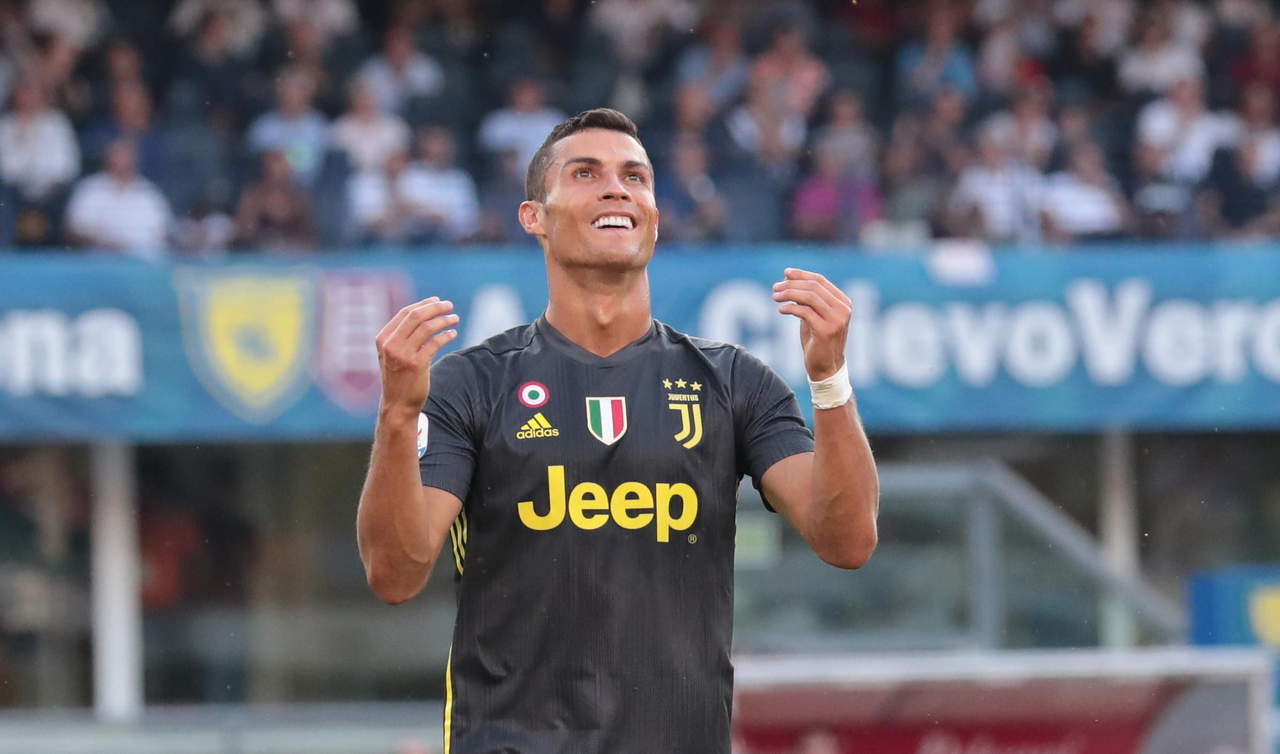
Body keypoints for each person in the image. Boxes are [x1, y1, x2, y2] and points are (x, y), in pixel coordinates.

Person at [355, 108, 879, 753]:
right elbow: (395, 573)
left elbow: (848, 539)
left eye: (635, 177)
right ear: (534, 217)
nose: (616, 189)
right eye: (585, 173)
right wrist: (397, 415)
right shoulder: (471, 384)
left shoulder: (734, 382)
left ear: (654, 216)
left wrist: (829, 381)